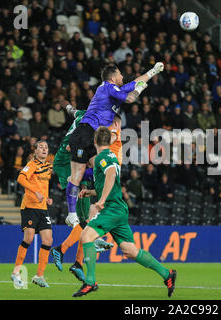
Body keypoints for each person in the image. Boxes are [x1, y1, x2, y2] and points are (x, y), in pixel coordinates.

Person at [73, 127, 177, 297]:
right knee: (130, 250)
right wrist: (91, 192)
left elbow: (111, 175)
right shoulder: (112, 155)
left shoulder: (101, 157)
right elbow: (110, 183)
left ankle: (90, 282)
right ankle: (167, 274)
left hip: (112, 208)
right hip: (119, 208)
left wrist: (101, 200)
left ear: (94, 141)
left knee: (86, 237)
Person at [66, 63, 164, 227]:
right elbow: (131, 97)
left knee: (101, 174)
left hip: (93, 137)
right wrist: (140, 89)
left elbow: (136, 81)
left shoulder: (114, 90)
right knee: (77, 175)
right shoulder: (107, 87)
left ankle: (94, 223)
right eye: (120, 74)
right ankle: (71, 214)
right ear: (112, 77)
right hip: (84, 133)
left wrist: (153, 71)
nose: (123, 77)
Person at [50, 103, 115, 281]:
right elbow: (74, 148)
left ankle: (78, 262)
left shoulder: (86, 115)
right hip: (66, 164)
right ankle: (62, 249)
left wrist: (67, 105)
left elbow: (71, 110)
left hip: (78, 162)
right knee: (84, 217)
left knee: (87, 218)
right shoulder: (91, 126)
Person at [11, 140, 53, 288]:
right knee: (28, 238)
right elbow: (20, 178)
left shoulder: (48, 166)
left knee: (48, 240)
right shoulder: (32, 164)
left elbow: (43, 185)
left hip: (42, 208)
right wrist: (35, 192)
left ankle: (39, 276)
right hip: (29, 206)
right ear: (35, 151)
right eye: (41, 147)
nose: (44, 149)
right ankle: (16, 272)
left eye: (46, 147)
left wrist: (46, 197)